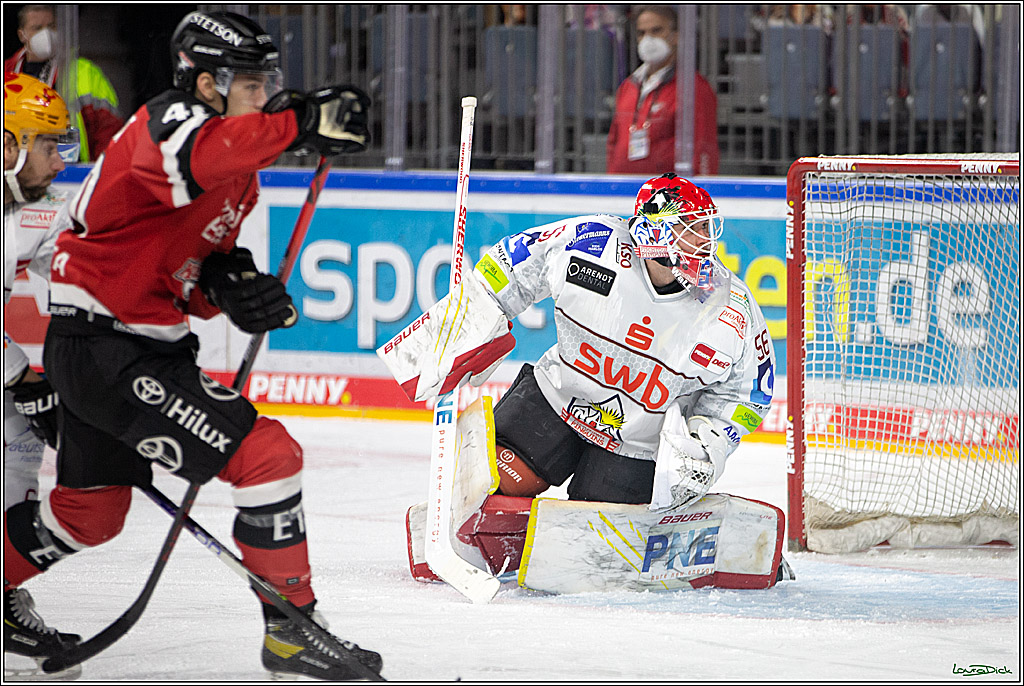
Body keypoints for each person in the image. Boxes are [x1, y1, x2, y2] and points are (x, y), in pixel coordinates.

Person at [3, 11, 380, 681]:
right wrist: (299, 123)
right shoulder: (168, 123)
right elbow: (210, 153)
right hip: (109, 349)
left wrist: (229, 287)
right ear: (207, 83)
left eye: (271, 84)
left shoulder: (237, 166)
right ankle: (292, 631)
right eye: (252, 84)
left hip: (125, 346)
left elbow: (191, 264)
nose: (263, 97)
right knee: (268, 457)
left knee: (87, 516)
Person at [380, 173, 784, 585]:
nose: (704, 242)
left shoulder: (729, 306)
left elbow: (751, 391)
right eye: (691, 228)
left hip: (635, 441)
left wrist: (703, 447)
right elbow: (509, 266)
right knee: (488, 490)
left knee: (593, 538)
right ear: (656, 229)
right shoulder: (592, 243)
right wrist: (468, 322)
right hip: (554, 402)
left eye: (705, 228)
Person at [3, 71, 84, 682]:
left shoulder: (25, 209)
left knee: (18, 439)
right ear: (8, 146)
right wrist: (18, 374)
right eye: (49, 144)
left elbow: (82, 260)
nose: (60, 160)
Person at [606, 6, 718, 176]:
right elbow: (614, 142)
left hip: (668, 195)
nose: (647, 39)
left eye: (656, 31)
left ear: (676, 35)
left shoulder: (693, 88)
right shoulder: (628, 87)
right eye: (641, 33)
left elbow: (703, 147)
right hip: (624, 192)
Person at [5, 4, 124, 161]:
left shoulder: (86, 72)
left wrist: (98, 175)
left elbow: (109, 132)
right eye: (37, 27)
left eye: (51, 26)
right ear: (22, 35)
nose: (45, 33)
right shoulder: (7, 74)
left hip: (73, 174)